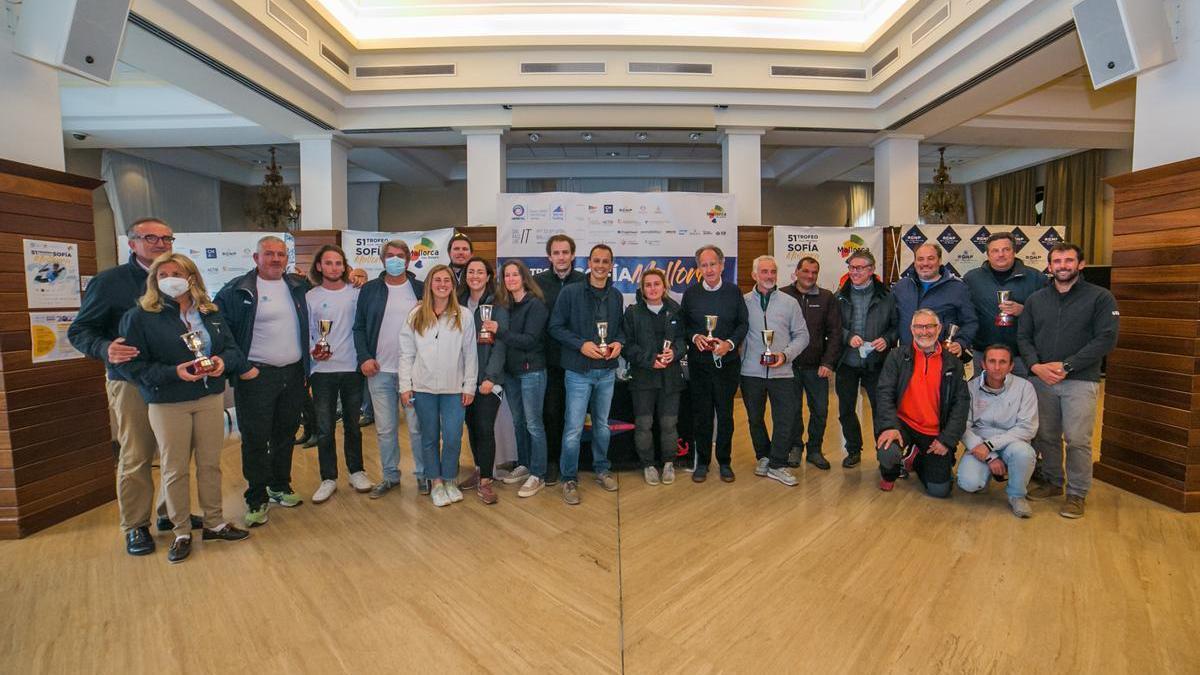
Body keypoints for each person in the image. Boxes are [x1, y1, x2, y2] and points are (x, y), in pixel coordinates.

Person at [67, 218, 200, 555]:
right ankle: (136, 525)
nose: (159, 243)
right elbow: (80, 330)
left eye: (166, 237)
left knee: (175, 453)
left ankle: (170, 513)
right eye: (149, 238)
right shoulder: (110, 282)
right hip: (132, 382)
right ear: (132, 243)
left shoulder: (181, 279)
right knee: (137, 454)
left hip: (175, 379)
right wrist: (103, 348)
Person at [117, 253, 250, 564]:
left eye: (176, 272)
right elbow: (131, 366)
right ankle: (180, 531)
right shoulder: (140, 316)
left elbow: (231, 349)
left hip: (209, 398)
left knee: (210, 464)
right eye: (162, 273)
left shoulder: (210, 312)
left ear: (191, 277)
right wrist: (173, 372)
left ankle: (215, 522)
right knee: (174, 468)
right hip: (168, 402)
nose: (170, 278)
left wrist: (221, 362)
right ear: (154, 280)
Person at [1017, 242, 1118, 519]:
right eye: (1057, 261)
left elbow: (1106, 338)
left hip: (1080, 380)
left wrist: (1067, 365)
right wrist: (1035, 366)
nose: (1063, 266)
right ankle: (1052, 481)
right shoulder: (1037, 300)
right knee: (1046, 435)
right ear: (1049, 266)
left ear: (1080, 264)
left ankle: (1076, 493)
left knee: (1077, 440)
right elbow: (1023, 337)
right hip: (1042, 380)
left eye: (1068, 260)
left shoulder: (1100, 298)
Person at [214, 236, 309, 527]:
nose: (276, 259)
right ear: (256, 258)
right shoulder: (236, 291)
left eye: (281, 254)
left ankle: (279, 485)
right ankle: (256, 497)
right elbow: (220, 334)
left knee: (285, 433)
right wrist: (242, 368)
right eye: (269, 254)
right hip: (256, 376)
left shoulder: (297, 286)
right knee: (256, 438)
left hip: (293, 374)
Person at [548, 244, 624, 505]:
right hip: (578, 372)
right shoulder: (571, 292)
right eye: (596, 260)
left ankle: (602, 469)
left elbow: (620, 330)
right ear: (589, 262)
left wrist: (619, 345)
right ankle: (569, 478)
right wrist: (581, 345)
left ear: (611, 265)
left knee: (602, 426)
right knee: (573, 428)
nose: (601, 265)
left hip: (606, 373)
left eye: (606, 261)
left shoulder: (616, 296)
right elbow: (555, 327)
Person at [398, 265, 478, 507]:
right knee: (429, 437)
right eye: (437, 280)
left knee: (453, 437)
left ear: (453, 286)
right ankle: (436, 482)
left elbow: (470, 354)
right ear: (429, 285)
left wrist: (469, 387)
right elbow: (406, 354)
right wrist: (405, 386)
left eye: (447, 280)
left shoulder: (463, 315)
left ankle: (450, 479)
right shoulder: (415, 315)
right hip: (423, 388)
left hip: (454, 389)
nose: (442, 284)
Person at [352, 240, 427, 498]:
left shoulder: (420, 288)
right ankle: (390, 476)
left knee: (418, 427)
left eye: (400, 256)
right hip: (379, 370)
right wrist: (364, 357)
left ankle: (423, 475)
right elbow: (359, 327)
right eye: (390, 256)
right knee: (385, 429)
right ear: (383, 260)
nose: (395, 260)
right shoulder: (370, 289)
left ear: (408, 259)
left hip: (414, 372)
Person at [874, 309, 970, 497]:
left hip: (935, 432)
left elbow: (961, 404)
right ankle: (889, 474)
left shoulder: (953, 363)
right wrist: (890, 426)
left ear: (939, 328)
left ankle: (916, 459)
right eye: (919, 326)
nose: (924, 332)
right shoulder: (897, 356)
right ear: (911, 329)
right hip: (904, 424)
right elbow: (884, 393)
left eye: (930, 326)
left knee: (940, 491)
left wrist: (947, 440)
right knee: (888, 450)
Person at [306, 244, 372, 504]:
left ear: (345, 266)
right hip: (321, 371)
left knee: (353, 426)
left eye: (338, 263)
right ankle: (328, 478)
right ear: (320, 266)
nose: (334, 267)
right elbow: (309, 332)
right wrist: (314, 350)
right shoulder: (310, 297)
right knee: (324, 427)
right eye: (328, 263)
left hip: (352, 368)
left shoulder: (356, 294)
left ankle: (357, 471)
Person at [680, 245, 749, 483]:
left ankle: (725, 461)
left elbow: (743, 324)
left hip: (727, 364)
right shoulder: (691, 294)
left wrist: (729, 343)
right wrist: (695, 337)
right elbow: (685, 325)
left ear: (722, 265)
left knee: (726, 414)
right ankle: (703, 462)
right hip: (699, 365)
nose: (708, 269)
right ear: (698, 268)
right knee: (702, 415)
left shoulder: (734, 292)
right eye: (704, 265)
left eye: (712, 264)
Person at [740, 256, 810, 487]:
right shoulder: (744, 302)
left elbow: (802, 335)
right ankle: (763, 456)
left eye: (772, 272)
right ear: (754, 275)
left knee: (786, 419)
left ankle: (778, 464)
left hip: (783, 372)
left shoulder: (789, 303)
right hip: (751, 372)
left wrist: (785, 355)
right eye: (764, 272)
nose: (769, 276)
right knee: (755, 418)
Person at [956, 344, 1039, 518]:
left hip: (1012, 443)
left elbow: (1027, 428)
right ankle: (984, 474)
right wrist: (989, 455)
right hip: (979, 444)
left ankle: (1017, 495)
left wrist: (991, 445)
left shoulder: (1025, 387)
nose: (997, 367)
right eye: (992, 361)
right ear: (983, 364)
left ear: (1011, 366)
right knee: (969, 484)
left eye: (1003, 362)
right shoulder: (970, 388)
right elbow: (962, 426)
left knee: (1024, 453)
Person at [621, 268, 687, 485]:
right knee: (644, 424)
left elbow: (682, 341)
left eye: (656, 284)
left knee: (669, 423)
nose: (652, 288)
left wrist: (674, 352)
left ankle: (669, 463)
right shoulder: (632, 313)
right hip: (643, 378)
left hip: (670, 377)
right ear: (642, 289)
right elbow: (627, 346)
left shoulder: (675, 310)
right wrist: (650, 360)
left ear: (664, 286)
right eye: (647, 285)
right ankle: (648, 464)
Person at [833, 250, 896, 469]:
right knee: (846, 409)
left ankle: (883, 453)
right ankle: (853, 449)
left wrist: (886, 340)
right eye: (851, 267)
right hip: (846, 364)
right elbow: (832, 327)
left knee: (881, 409)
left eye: (860, 268)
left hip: (877, 364)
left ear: (871, 270)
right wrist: (848, 336)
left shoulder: (887, 296)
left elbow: (896, 327)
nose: (855, 272)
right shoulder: (839, 296)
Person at [779, 256, 841, 470]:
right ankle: (795, 447)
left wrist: (829, 363)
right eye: (805, 271)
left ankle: (815, 449)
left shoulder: (826, 298)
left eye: (814, 272)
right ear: (796, 272)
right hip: (789, 366)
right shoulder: (782, 295)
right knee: (792, 409)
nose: (810, 276)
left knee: (820, 410)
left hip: (817, 367)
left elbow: (835, 333)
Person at [534, 233, 586, 485]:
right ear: (549, 256)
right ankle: (553, 462)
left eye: (566, 252)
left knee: (575, 416)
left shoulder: (585, 282)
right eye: (556, 252)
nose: (561, 257)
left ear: (573, 255)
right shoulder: (537, 283)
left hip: (578, 360)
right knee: (552, 412)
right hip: (550, 360)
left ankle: (573, 462)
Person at [496, 260, 551, 498]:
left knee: (533, 424)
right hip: (511, 373)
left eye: (514, 275)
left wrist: (500, 332)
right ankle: (525, 464)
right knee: (518, 422)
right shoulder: (505, 305)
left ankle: (538, 474)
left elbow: (529, 340)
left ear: (524, 277)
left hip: (532, 371)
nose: (510, 279)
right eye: (506, 276)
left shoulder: (536, 305)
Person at [458, 257, 508, 505]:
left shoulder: (497, 305)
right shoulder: (457, 304)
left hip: (489, 382)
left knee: (484, 427)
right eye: (471, 271)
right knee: (472, 426)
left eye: (480, 272)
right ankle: (479, 469)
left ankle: (487, 481)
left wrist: (490, 377)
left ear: (489, 276)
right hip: (463, 381)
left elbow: (500, 345)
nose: (475, 275)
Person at [962, 232, 1047, 376]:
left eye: (1006, 250)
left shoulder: (1036, 278)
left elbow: (1049, 312)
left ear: (1014, 251)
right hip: (983, 355)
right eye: (995, 250)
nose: (1000, 254)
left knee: (1021, 396)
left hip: (1021, 356)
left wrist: (1024, 310)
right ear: (988, 254)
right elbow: (964, 313)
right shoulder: (972, 278)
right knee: (984, 397)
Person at [893, 243, 976, 360]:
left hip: (943, 359)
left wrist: (961, 342)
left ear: (940, 260)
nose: (925, 263)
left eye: (931, 258)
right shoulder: (901, 287)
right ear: (915, 262)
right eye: (920, 259)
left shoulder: (958, 288)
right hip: (907, 358)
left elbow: (970, 322)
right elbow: (891, 321)